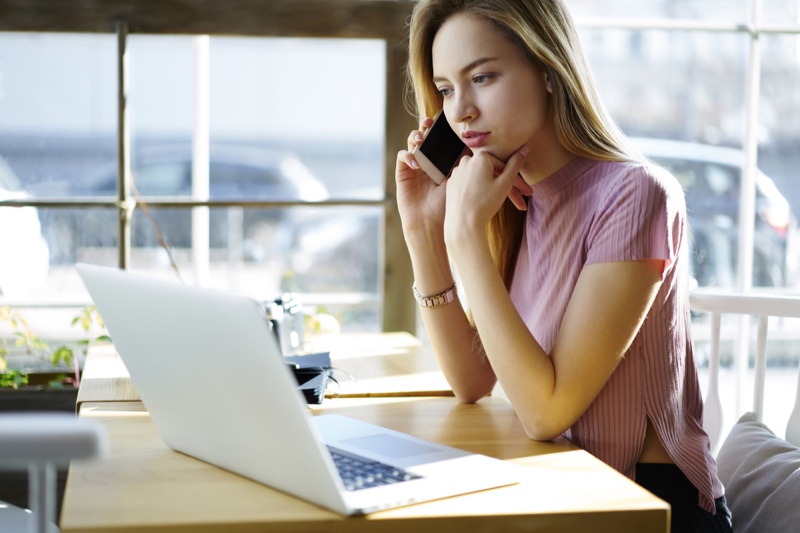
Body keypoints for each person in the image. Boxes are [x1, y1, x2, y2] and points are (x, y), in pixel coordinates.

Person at [394, 1, 733, 531]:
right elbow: (471, 380)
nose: (460, 111)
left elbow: (545, 411)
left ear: (549, 70)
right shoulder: (515, 198)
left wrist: (463, 235)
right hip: (562, 485)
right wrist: (423, 232)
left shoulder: (637, 194)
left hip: (645, 506)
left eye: (481, 77)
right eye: (445, 89)